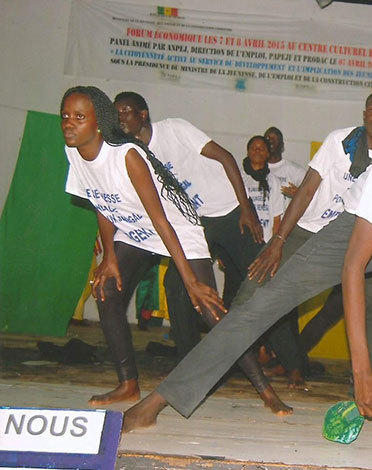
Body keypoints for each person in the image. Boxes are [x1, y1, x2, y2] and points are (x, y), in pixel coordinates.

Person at [123, 70, 372, 453]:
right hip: (357, 229)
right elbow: (353, 266)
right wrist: (361, 372)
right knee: (260, 307)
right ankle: (158, 400)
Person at [112, 92, 291, 415]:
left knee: (267, 280)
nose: (120, 117)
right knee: (177, 290)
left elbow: (225, 157)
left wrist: (246, 207)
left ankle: (292, 364)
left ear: (143, 114)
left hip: (229, 212)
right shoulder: (131, 152)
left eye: (126, 111)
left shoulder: (175, 130)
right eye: (116, 113)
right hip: (193, 225)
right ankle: (190, 369)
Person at [61, 85, 224, 406]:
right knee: (105, 288)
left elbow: (162, 221)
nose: (69, 123)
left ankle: (263, 387)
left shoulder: (128, 153)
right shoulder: (75, 151)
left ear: (97, 122)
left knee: (208, 306)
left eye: (79, 116)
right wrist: (109, 256)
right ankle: (128, 384)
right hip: (135, 229)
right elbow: (100, 202)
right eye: (65, 116)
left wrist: (190, 280)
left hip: (175, 226)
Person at [245, 88, 372, 389]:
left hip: (356, 243)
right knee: (256, 285)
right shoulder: (339, 142)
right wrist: (278, 240)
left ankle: (366, 381)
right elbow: (305, 191)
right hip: (310, 230)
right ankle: (226, 355)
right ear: (364, 113)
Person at [241, 136, 284, 242]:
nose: (257, 150)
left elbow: (277, 219)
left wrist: (272, 245)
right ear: (248, 152)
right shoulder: (239, 178)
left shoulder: (274, 181)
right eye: (254, 148)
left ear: (267, 154)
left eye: (262, 148)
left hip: (265, 239)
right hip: (242, 238)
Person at [263, 126, 306, 210]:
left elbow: (310, 197)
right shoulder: (253, 170)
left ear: (282, 145)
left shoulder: (296, 171)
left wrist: (298, 195)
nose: (271, 141)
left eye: (275, 139)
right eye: (267, 139)